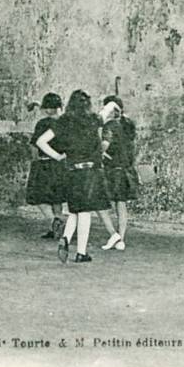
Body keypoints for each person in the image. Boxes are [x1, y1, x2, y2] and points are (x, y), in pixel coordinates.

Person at [34, 90, 112, 263]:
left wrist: (58, 156)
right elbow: (107, 111)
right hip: (89, 172)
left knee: (74, 211)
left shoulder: (63, 121)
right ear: (87, 104)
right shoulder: (93, 119)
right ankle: (81, 253)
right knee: (85, 212)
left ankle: (66, 239)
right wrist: (114, 107)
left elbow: (40, 142)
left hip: (70, 171)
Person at [25, 93, 68, 239]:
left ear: (48, 109)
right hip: (61, 164)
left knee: (39, 197)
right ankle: (56, 226)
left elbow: (34, 146)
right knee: (56, 198)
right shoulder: (64, 123)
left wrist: (35, 161)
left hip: (44, 163)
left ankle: (54, 222)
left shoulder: (43, 124)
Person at [99, 95, 137, 251]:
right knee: (121, 205)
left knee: (99, 203)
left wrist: (98, 149)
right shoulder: (129, 125)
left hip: (111, 170)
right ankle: (121, 238)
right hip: (126, 170)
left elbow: (104, 146)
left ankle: (113, 233)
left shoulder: (109, 126)